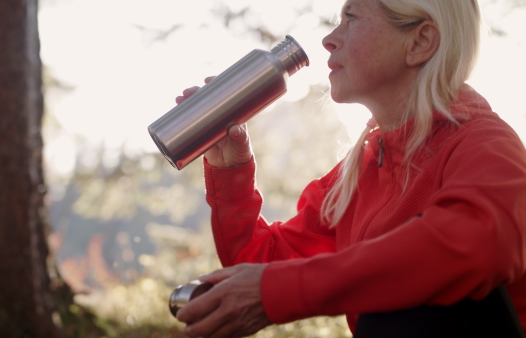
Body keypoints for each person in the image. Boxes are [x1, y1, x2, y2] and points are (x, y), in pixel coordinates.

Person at [173, 0, 526, 337]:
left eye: (352, 17)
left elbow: (477, 245)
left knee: (416, 290)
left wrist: (277, 291)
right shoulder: (364, 169)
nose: (329, 39)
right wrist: (230, 170)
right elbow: (262, 265)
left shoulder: (485, 144)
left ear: (419, 42)